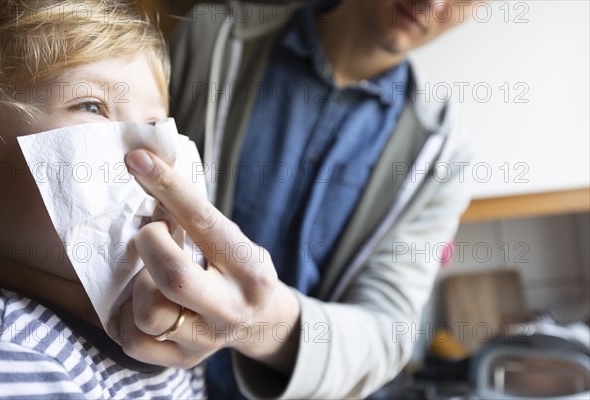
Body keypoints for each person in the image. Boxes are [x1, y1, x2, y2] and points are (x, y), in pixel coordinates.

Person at [114, 0, 478, 398]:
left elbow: (387, 332)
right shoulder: (212, 39)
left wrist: (260, 323)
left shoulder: (442, 157)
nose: (434, 2)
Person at [0, 0, 204, 398]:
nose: (150, 149)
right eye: (92, 106)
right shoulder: (16, 353)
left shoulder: (174, 335)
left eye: (156, 124)